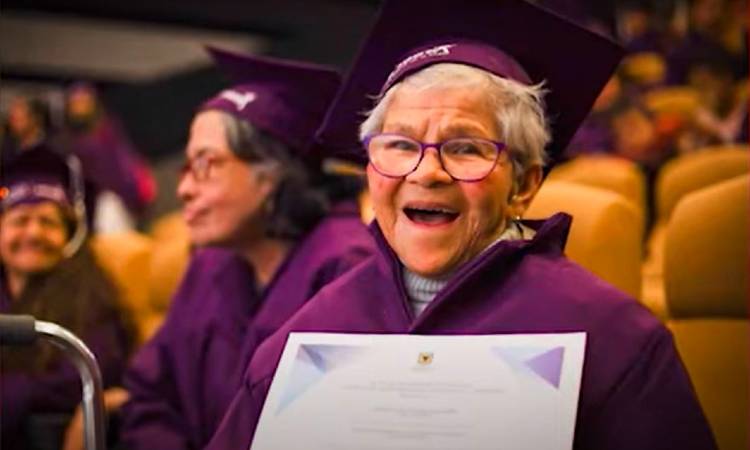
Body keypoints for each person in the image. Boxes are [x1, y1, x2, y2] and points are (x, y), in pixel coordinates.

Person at [206, 1, 716, 449]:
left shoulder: (614, 342)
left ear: (524, 184)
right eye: (400, 145)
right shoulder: (308, 338)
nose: (426, 172)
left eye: (465, 148)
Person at [120, 47, 374, 450]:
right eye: (186, 167)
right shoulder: (209, 263)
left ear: (271, 174)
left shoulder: (347, 266)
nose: (184, 189)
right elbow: (151, 396)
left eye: (207, 165)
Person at [0, 145, 133, 450]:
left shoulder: (91, 296)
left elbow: (89, 375)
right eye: (20, 221)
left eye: (48, 222)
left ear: (69, 236)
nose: (33, 233)